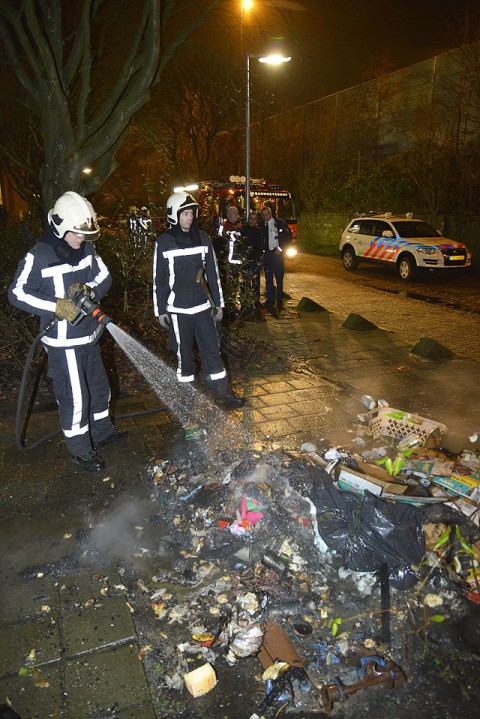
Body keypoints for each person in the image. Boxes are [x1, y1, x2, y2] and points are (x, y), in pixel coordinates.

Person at [8, 191, 127, 472]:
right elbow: (16, 293)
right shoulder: (39, 256)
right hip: (63, 343)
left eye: (85, 234)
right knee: (75, 396)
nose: (81, 239)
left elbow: (104, 276)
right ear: (60, 227)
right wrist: (56, 306)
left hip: (90, 336)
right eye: (76, 233)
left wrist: (91, 290)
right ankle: (79, 449)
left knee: (99, 389)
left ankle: (102, 433)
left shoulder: (86, 249)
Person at [153, 191, 245, 409]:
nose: (190, 217)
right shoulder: (164, 242)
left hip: (203, 307)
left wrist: (219, 304)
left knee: (212, 353)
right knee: (184, 358)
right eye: (184, 213)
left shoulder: (203, 238)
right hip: (178, 311)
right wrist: (160, 310)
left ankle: (223, 396)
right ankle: (188, 402)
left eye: (191, 213)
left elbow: (213, 274)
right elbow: (159, 280)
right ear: (174, 215)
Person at [259, 204, 292, 315]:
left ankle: (279, 300)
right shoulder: (261, 225)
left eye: (267, 214)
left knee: (279, 277)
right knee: (268, 278)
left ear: (271, 213)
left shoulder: (279, 223)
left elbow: (288, 236)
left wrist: (281, 248)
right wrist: (261, 252)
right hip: (267, 255)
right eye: (263, 215)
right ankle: (270, 300)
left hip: (277, 254)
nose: (265, 216)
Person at [217, 205, 247, 317]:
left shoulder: (240, 226)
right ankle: (229, 306)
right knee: (230, 284)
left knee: (238, 284)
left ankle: (237, 305)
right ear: (228, 215)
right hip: (228, 262)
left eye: (237, 213)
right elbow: (220, 237)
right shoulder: (224, 226)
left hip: (239, 260)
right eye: (234, 213)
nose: (237, 215)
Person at [241, 210, 264, 320]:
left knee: (256, 283)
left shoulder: (259, 231)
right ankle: (245, 304)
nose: (252, 221)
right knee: (245, 283)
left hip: (254, 261)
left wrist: (258, 256)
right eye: (251, 218)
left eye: (255, 219)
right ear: (248, 219)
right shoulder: (243, 230)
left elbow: (260, 246)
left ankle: (256, 303)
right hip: (245, 261)